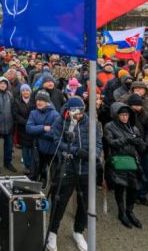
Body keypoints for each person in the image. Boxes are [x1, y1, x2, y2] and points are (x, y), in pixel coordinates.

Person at [46, 97, 102, 251]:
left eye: (82, 111)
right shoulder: (61, 121)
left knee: (84, 203)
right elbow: (57, 141)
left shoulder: (91, 122)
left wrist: (93, 155)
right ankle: (52, 232)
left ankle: (78, 231)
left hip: (86, 169)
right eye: (76, 112)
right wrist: (75, 151)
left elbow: (98, 142)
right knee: (60, 201)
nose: (80, 115)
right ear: (70, 111)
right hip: (68, 167)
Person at [104, 102, 145, 229]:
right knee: (120, 187)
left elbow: (142, 148)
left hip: (132, 161)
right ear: (116, 115)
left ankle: (130, 211)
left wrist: (139, 142)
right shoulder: (110, 126)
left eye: (126, 115)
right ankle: (121, 212)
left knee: (133, 187)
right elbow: (111, 142)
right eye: (122, 115)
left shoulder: (133, 128)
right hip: (117, 161)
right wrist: (127, 139)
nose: (124, 117)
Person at [26, 90, 60, 183]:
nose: (38, 102)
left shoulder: (55, 115)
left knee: (54, 177)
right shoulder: (33, 113)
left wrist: (37, 132)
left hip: (52, 150)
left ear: (47, 102)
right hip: (38, 148)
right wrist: (44, 128)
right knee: (35, 170)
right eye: (37, 100)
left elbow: (54, 133)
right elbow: (28, 128)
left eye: (41, 100)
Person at [0, 77, 16, 173]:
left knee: (9, 146)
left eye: (5, 84)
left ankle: (8, 163)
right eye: (1, 83)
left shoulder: (10, 95)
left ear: (7, 85)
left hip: (9, 125)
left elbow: (13, 109)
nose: (3, 85)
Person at [13, 84, 34, 174]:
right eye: (23, 90)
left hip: (33, 128)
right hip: (22, 128)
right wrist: (25, 122)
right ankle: (27, 166)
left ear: (30, 91)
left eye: (27, 90)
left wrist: (31, 122)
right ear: (21, 92)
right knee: (25, 149)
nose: (25, 92)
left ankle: (32, 166)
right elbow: (15, 114)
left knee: (32, 148)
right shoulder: (17, 102)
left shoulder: (34, 101)